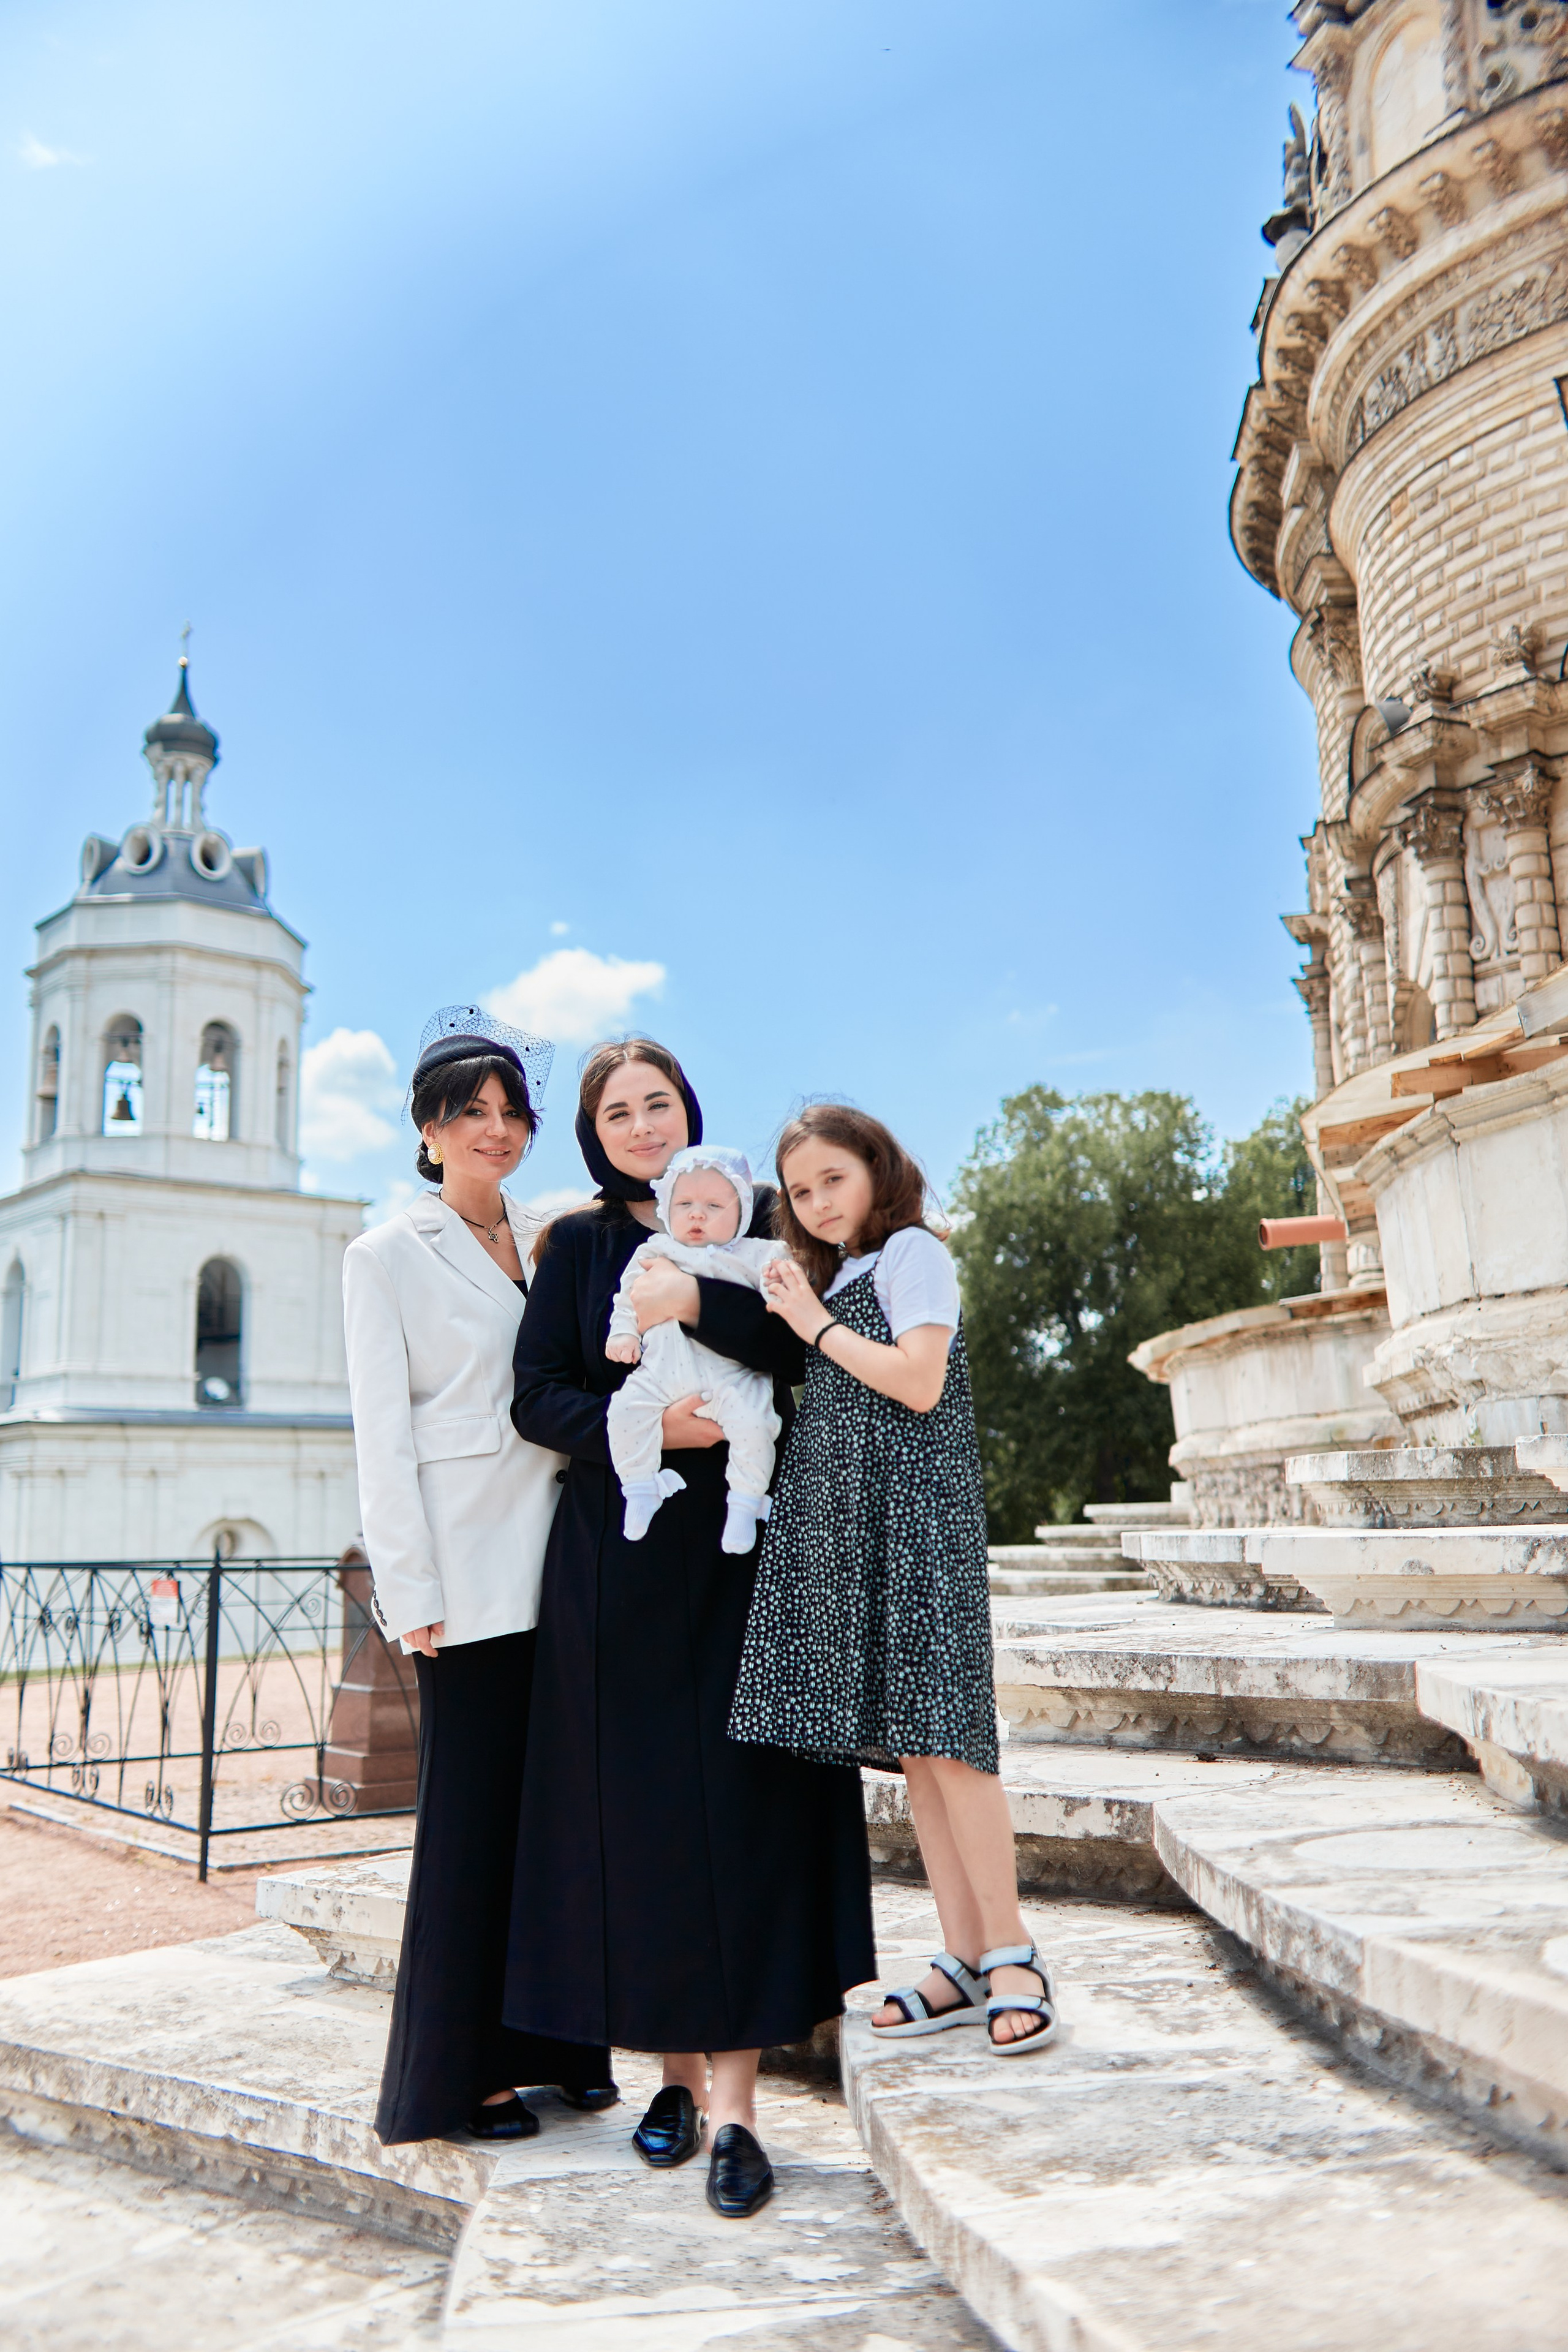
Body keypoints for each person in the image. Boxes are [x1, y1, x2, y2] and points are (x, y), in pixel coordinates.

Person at [505, 1041, 875, 2218]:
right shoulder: (572, 1245)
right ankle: (665, 2082)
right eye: (617, 1110)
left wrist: (695, 1300)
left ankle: (739, 2115)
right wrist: (658, 1427)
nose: (641, 1124)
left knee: (746, 1811)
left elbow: (799, 1342)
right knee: (646, 1823)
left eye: (657, 1101)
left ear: (689, 1113)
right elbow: (538, 1395)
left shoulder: (763, 1219)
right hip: (618, 1572)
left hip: (750, 1558)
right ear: (594, 1132)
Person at [729, 1102, 1057, 2057]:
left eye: (835, 1177)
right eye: (800, 1191)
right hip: (860, 1528)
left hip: (921, 1525)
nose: (820, 1201)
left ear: (876, 1168)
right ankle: (961, 1958)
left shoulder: (915, 1252)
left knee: (954, 1743)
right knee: (916, 1755)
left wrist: (813, 1322)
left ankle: (1013, 1952)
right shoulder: (846, 1273)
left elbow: (917, 1380)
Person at [342, 1005, 615, 2147]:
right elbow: (382, 1438)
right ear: (428, 1129)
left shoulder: (551, 1235)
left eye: (512, 1113)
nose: (497, 1131)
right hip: (465, 1579)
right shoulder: (385, 1256)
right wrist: (411, 1597)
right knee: (471, 1831)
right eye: (473, 1113)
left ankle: (559, 2044)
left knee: (558, 1820)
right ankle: (465, 2077)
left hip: (568, 1561)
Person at [604, 1145, 786, 1553]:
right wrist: (624, 1335)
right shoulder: (654, 1251)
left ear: (740, 1212)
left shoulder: (759, 1254)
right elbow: (626, 1299)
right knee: (624, 1412)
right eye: (684, 1203)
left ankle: (744, 1504)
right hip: (660, 1375)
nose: (697, 1214)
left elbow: (790, 1295)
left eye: (714, 1205)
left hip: (730, 1378)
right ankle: (640, 1487)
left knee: (756, 1425)